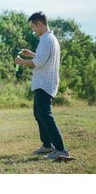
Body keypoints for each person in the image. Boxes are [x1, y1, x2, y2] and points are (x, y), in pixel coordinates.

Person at [15, 11, 69, 159]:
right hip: (44, 83)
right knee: (38, 114)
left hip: (44, 84)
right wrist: (31, 54)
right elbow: (42, 58)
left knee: (45, 116)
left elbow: (38, 63)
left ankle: (61, 149)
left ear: (40, 23)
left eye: (33, 26)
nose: (33, 30)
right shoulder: (50, 39)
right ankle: (46, 146)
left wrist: (21, 62)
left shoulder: (46, 40)